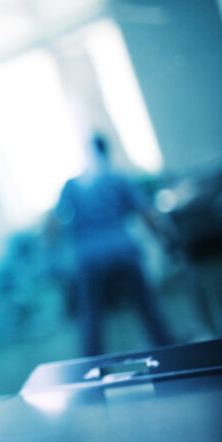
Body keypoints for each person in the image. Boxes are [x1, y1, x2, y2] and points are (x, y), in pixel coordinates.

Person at [54, 133, 176, 356]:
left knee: (91, 314)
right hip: (122, 250)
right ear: (106, 151)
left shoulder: (71, 186)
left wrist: (55, 258)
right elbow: (147, 214)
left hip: (88, 258)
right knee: (145, 305)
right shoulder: (118, 179)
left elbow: (54, 224)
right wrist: (166, 238)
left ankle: (90, 363)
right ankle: (167, 350)